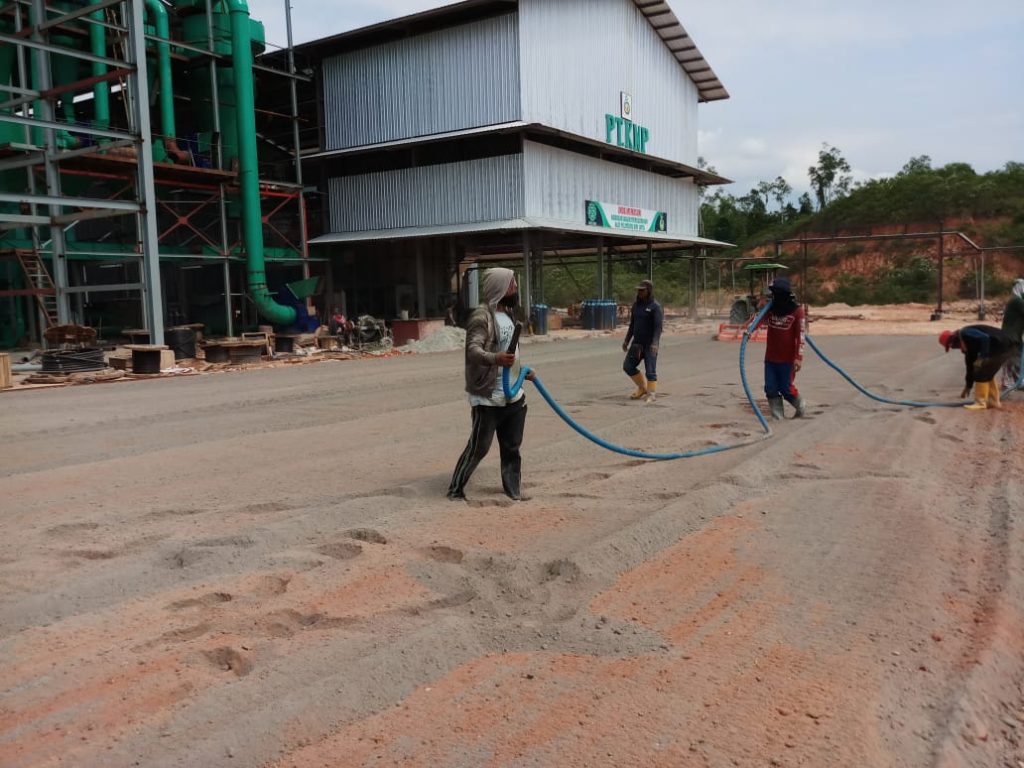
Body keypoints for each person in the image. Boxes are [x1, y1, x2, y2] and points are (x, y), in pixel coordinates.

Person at [447, 267, 534, 501]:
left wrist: (522, 373)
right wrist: (496, 359)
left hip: (513, 395)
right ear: (500, 288)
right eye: (512, 284)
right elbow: (473, 350)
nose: (516, 288)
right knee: (479, 448)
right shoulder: (481, 317)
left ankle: (513, 491)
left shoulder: (510, 315)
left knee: (512, 447)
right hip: (488, 399)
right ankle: (455, 489)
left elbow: (511, 353)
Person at [939, 324, 1015, 410]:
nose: (954, 347)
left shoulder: (965, 332)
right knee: (987, 372)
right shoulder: (969, 348)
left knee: (981, 373)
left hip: (1003, 345)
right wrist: (968, 385)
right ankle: (993, 401)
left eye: (952, 345)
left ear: (954, 338)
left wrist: (983, 357)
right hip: (1004, 347)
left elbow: (985, 338)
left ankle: (980, 403)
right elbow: (970, 366)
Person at [761, 277, 806, 420]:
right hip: (770, 358)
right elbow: (757, 321)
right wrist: (748, 330)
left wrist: (798, 358)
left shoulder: (797, 311)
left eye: (777, 293)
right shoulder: (770, 309)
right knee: (770, 387)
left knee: (786, 388)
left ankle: (800, 405)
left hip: (787, 359)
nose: (774, 297)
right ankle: (778, 417)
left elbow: (801, 336)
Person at [621, 279, 663, 402]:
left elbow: (658, 327)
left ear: (649, 290)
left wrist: (655, 343)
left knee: (650, 370)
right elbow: (632, 325)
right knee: (628, 366)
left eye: (642, 290)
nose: (639, 292)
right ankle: (642, 388)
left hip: (650, 344)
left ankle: (651, 394)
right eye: (638, 290)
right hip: (637, 343)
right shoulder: (636, 306)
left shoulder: (655, 307)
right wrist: (626, 340)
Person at [1000, 278, 1024, 387]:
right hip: (1010, 336)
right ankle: (1012, 382)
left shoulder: (1016, 300)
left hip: (1014, 335)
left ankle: (1016, 381)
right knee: (1012, 359)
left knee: (1015, 359)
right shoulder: (1016, 301)